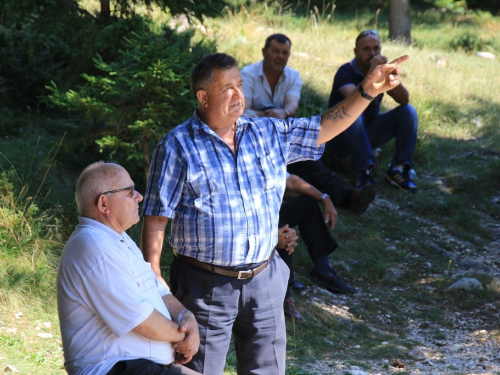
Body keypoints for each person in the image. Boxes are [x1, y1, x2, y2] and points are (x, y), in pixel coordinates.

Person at [141, 52, 408, 374]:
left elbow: (323, 127)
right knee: (198, 371)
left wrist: (367, 90)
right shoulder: (176, 146)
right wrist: (154, 278)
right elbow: (156, 217)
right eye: (228, 88)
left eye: (240, 84)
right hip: (205, 285)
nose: (239, 94)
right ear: (203, 96)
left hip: (265, 279)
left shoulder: (266, 132)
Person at [56, 162, 201, 375]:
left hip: (137, 366)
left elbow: (156, 288)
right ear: (104, 204)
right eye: (129, 191)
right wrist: (185, 336)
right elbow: (141, 321)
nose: (138, 196)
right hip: (114, 368)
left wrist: (186, 316)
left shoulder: (116, 238)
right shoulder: (95, 247)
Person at [241, 33, 375, 213]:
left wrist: (282, 112)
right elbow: (243, 112)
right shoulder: (248, 74)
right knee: (296, 170)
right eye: (275, 51)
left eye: (285, 53)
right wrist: (273, 114)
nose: (280, 56)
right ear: (264, 52)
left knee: (311, 164)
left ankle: (351, 196)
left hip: (282, 136)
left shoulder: (293, 76)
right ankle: (344, 196)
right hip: (254, 139)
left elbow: (292, 107)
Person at [325, 29, 418, 193]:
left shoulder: (380, 71)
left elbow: (404, 100)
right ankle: (364, 172)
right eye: (366, 49)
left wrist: (390, 77)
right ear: (356, 52)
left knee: (408, 112)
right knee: (354, 113)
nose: (372, 53)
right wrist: (372, 74)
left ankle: (398, 169)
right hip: (339, 136)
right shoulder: (345, 72)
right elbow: (354, 102)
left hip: (367, 131)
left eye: (376, 48)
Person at [278, 173, 356, 323]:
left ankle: (323, 269)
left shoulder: (265, 154)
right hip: (247, 221)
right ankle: (285, 297)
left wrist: (324, 198)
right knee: (284, 231)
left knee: (307, 203)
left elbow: (292, 181)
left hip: (269, 214)